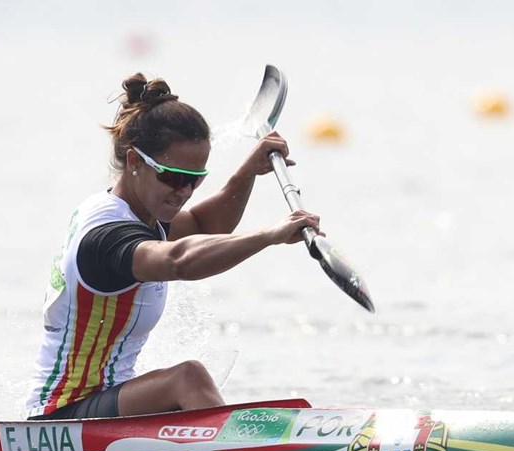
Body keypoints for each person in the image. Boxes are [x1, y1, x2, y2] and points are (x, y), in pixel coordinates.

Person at [25, 73, 321, 420]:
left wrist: (249, 171)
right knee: (188, 378)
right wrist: (270, 235)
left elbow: (203, 226)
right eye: (174, 177)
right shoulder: (106, 237)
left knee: (188, 380)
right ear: (135, 162)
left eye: (195, 180)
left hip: (104, 403)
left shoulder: (142, 212)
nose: (184, 191)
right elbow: (180, 262)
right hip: (61, 415)